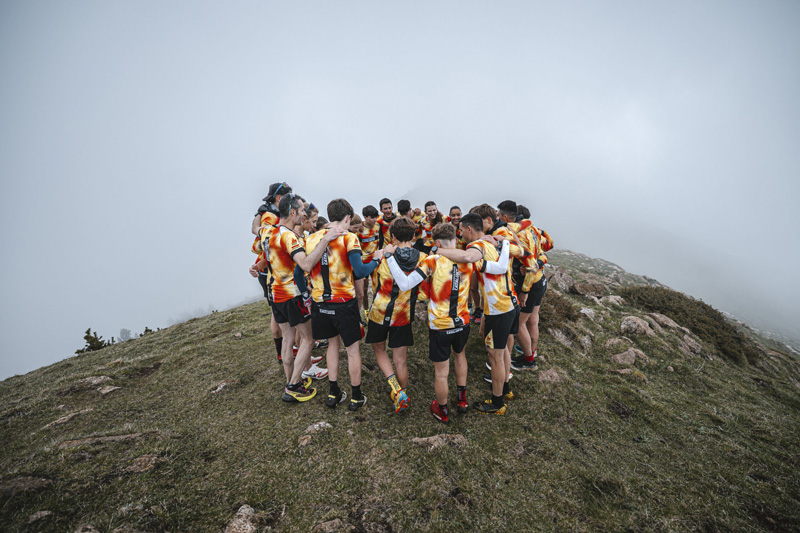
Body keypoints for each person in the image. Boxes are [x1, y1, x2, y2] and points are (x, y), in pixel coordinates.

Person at [389, 222, 510, 422]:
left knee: (441, 372)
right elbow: (500, 267)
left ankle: (442, 409)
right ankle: (462, 400)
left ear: (437, 243)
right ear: (455, 238)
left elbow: (404, 283)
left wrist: (389, 258)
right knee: (460, 356)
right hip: (462, 322)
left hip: (441, 325)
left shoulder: (432, 261)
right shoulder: (467, 259)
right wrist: (504, 244)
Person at [260, 194, 345, 403]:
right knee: (308, 338)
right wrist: (325, 240)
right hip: (291, 295)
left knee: (288, 340)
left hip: (275, 294)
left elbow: (267, 257)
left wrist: (257, 267)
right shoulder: (288, 236)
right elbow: (305, 264)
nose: (304, 214)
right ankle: (293, 385)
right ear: (292, 212)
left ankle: (291, 380)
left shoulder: (268, 231)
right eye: (301, 211)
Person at [305, 198, 388, 410]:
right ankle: (355, 396)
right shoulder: (349, 238)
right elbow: (360, 271)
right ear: (348, 217)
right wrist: (377, 258)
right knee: (352, 350)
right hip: (343, 303)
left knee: (332, 346)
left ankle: (333, 393)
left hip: (320, 303)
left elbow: (301, 271)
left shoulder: (313, 238)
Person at [436, 213, 517, 415]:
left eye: (461, 230)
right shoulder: (492, 243)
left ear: (469, 229)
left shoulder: (477, 246)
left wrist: (438, 250)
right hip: (509, 303)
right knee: (504, 349)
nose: (460, 234)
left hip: (498, 308)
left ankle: (497, 403)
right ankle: (505, 389)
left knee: (495, 355)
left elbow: (466, 257)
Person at [364, 217, 426, 413]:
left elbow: (374, 282)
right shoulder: (423, 258)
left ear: (393, 236)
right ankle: (403, 391)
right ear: (414, 235)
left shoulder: (382, 255)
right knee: (401, 359)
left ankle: (397, 390)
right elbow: (423, 290)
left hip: (379, 312)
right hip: (403, 314)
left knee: (380, 350)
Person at [249, 182, 292, 366]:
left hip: (271, 266)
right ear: (279, 198)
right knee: (278, 314)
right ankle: (283, 354)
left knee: (280, 313)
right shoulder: (269, 216)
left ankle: (286, 353)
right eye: (289, 195)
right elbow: (259, 239)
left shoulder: (270, 214)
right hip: (270, 269)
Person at [509, 204, 552, 371]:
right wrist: (539, 263)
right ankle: (531, 352)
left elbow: (531, 262)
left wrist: (524, 291)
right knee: (533, 320)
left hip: (530, 283)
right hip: (540, 280)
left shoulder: (520, 234)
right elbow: (549, 245)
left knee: (518, 324)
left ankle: (528, 360)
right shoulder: (535, 230)